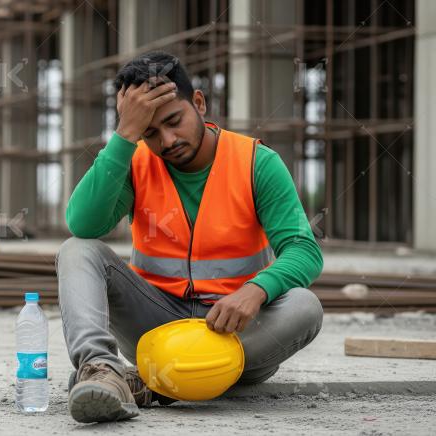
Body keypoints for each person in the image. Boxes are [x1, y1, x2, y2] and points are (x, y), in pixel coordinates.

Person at [57, 51, 324, 423]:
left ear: (198, 102)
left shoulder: (256, 162)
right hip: (155, 326)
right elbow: (84, 225)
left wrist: (256, 290)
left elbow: (303, 250)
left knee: (305, 306)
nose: (167, 140)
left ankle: (149, 383)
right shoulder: (133, 162)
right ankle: (102, 371)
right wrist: (123, 137)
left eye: (173, 121)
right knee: (77, 251)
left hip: (235, 331)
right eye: (150, 132)